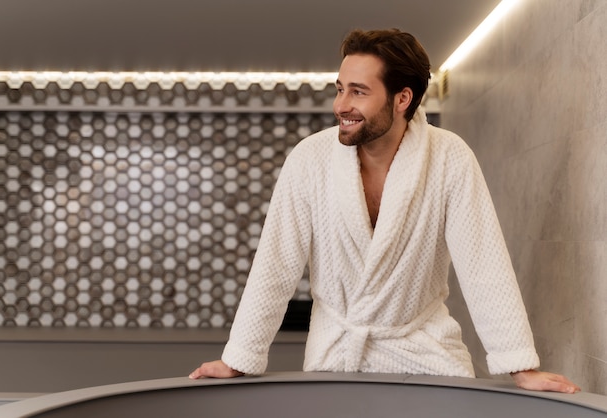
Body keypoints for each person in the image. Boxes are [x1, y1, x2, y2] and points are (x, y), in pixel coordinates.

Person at [190, 28, 580, 394]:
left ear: (402, 99)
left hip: (427, 355)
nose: (340, 105)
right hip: (337, 359)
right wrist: (238, 358)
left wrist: (520, 366)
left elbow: (483, 264)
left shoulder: (448, 158)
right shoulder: (310, 159)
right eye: (340, 89)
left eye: (358, 92)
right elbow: (275, 265)